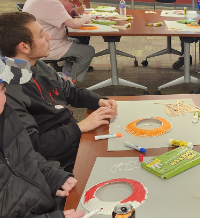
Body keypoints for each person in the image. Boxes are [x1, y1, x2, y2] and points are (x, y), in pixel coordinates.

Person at [0, 56, 87, 218]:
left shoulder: (4, 115)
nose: (6, 97)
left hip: (41, 216)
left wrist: (50, 176)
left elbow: (26, 155)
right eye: (1, 89)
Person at [0, 12, 117, 169]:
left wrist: (99, 101)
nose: (49, 36)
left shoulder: (38, 66)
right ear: (24, 47)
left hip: (73, 138)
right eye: (42, 35)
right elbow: (34, 146)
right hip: (58, 161)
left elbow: (71, 92)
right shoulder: (7, 93)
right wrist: (79, 127)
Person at [22, 0, 95, 82]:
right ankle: (69, 84)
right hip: (42, 44)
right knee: (88, 51)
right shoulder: (53, 3)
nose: (70, 10)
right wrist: (86, 18)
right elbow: (72, 24)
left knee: (76, 42)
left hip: (34, 40)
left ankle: (66, 76)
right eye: (73, 6)